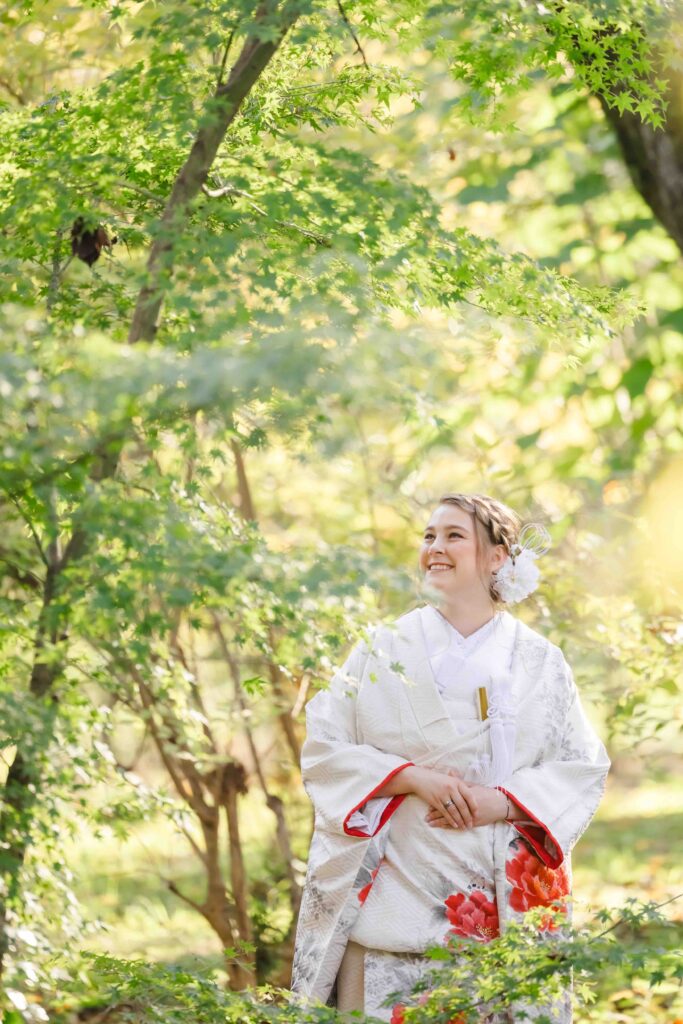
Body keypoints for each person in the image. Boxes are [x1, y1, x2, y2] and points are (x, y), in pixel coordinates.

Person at [291, 492, 610, 1022]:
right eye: (429, 536)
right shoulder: (381, 648)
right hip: (391, 902)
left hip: (497, 917)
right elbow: (325, 747)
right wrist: (412, 777)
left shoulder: (539, 661)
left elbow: (581, 766)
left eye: (454, 536)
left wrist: (503, 802)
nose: (435, 548)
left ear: (497, 557)